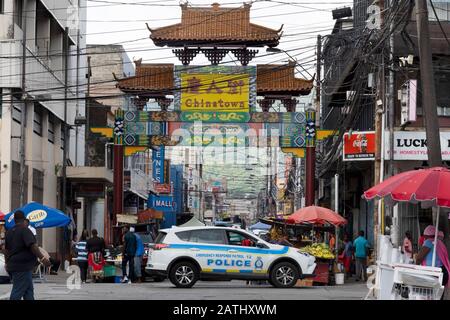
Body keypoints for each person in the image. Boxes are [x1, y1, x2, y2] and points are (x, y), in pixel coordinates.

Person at [4, 211, 51, 300]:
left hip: (14, 265)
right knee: (17, 291)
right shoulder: (25, 230)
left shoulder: (9, 232)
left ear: (14, 220)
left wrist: (6, 263)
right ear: (24, 219)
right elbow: (33, 246)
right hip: (23, 266)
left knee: (28, 291)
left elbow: (6, 250)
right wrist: (43, 258)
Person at [416, 225, 450, 294]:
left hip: (435, 274)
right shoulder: (440, 243)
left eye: (425, 236)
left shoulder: (429, 241)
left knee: (429, 294)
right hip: (443, 273)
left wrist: (416, 263)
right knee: (438, 295)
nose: (424, 238)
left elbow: (419, 258)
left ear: (427, 235)